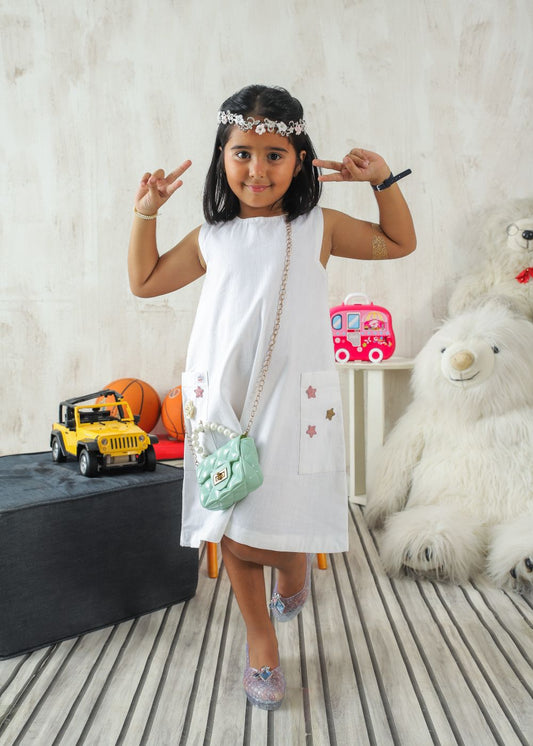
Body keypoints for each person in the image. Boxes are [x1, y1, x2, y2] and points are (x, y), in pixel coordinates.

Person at [128, 84, 416, 711]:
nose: (256, 169)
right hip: (221, 400)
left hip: (293, 400)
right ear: (222, 157)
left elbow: (399, 243)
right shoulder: (212, 236)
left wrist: (382, 181)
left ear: (300, 159)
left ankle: (291, 566)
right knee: (230, 521)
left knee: (280, 515)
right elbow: (144, 282)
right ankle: (262, 643)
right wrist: (146, 213)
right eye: (242, 153)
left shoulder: (318, 227)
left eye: (274, 155)